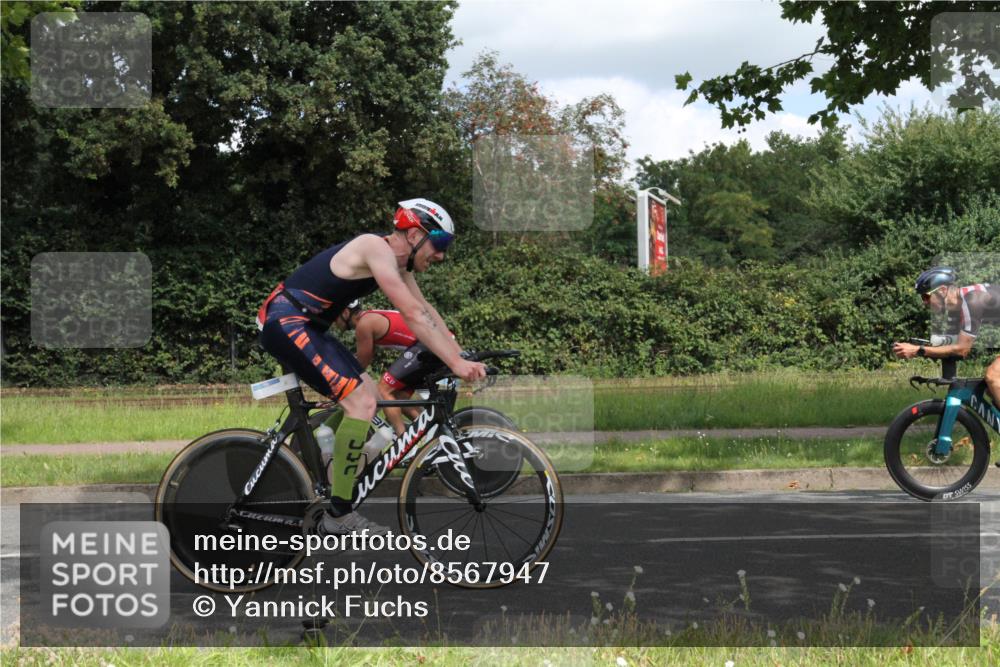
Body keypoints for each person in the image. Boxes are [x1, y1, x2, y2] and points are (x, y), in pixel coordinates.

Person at [255, 198, 486, 535]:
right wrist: (455, 363)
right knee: (361, 403)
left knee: (370, 395)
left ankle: (327, 465)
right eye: (439, 243)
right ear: (414, 234)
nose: (440, 255)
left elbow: (426, 311)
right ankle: (339, 515)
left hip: (307, 326)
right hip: (286, 321)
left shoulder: (399, 265)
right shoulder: (374, 248)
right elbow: (411, 314)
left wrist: (460, 356)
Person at [892, 266, 1000, 403]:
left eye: (926, 296)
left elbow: (962, 350)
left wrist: (917, 350)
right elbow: (953, 344)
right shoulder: (959, 306)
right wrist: (923, 347)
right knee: (992, 390)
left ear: (942, 290)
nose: (924, 302)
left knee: (993, 377)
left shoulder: (971, 301)